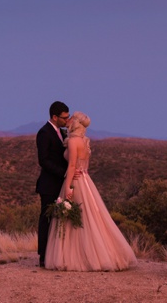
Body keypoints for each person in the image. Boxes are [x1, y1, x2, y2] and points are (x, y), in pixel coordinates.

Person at [45, 111, 136, 271]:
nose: (69, 119)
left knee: (76, 220)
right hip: (86, 180)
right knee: (91, 218)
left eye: (71, 117)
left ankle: (78, 257)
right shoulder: (85, 141)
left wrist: (67, 187)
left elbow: (72, 165)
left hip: (76, 181)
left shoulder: (73, 141)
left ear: (76, 123)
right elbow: (84, 165)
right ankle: (98, 254)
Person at [35, 101, 72, 268]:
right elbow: (43, 160)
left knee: (61, 219)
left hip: (62, 184)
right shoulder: (44, 133)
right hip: (49, 184)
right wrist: (63, 173)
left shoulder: (63, 133)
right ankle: (43, 256)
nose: (67, 120)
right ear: (54, 117)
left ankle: (58, 254)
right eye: (65, 118)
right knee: (46, 219)